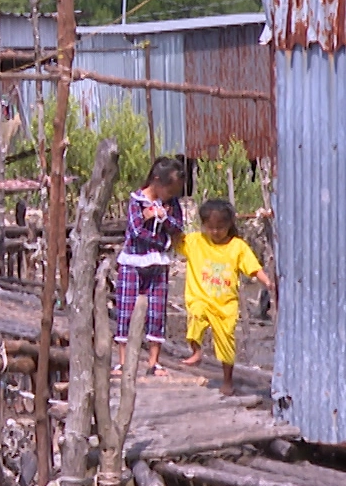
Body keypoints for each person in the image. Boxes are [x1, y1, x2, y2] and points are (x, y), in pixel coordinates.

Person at [178, 197, 276, 396]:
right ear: (203, 225)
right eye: (210, 227)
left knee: (226, 344)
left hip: (225, 306)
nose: (214, 232)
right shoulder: (196, 241)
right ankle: (196, 351)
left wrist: (268, 282)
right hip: (201, 298)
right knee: (195, 315)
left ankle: (227, 380)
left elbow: (253, 268)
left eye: (219, 228)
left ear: (229, 225)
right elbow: (172, 236)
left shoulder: (237, 247)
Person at [115, 157, 186, 375]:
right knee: (126, 309)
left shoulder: (171, 205)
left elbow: (178, 226)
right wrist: (163, 241)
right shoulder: (136, 201)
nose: (171, 196)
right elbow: (136, 232)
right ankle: (124, 360)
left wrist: (162, 218)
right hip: (133, 262)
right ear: (156, 181)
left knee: (156, 310)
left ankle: (153, 362)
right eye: (169, 190)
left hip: (158, 264)